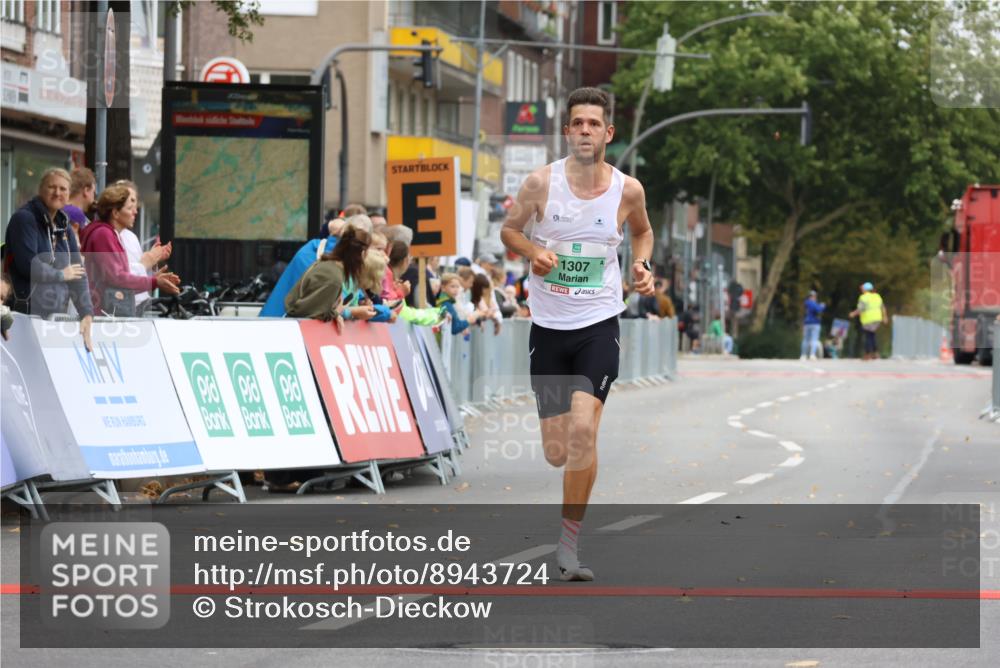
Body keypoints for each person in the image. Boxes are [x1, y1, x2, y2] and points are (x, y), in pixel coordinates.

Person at [500, 86, 654, 581]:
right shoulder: (539, 184)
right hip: (548, 327)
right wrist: (532, 252)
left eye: (594, 123)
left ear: (608, 133)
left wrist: (643, 264)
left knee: (585, 433)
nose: (585, 130)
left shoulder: (627, 190)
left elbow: (642, 232)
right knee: (557, 452)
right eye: (577, 123)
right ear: (566, 130)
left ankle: (568, 546)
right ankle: (569, 504)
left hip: (598, 324)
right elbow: (509, 231)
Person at [4, 167, 94, 350]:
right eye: (52, 187)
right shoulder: (24, 219)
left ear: (69, 194)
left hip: (54, 319)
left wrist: (86, 313)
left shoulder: (65, 226)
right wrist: (61, 275)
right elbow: (27, 265)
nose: (57, 193)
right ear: (41, 190)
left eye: (63, 189)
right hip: (24, 317)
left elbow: (78, 273)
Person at [80, 183, 180, 316]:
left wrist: (153, 280)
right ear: (115, 213)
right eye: (130, 208)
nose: (135, 212)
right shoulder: (104, 234)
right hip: (104, 317)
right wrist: (154, 282)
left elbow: (118, 281)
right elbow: (117, 279)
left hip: (106, 314)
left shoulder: (109, 234)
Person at [259, 219, 340, 317]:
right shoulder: (326, 267)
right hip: (284, 325)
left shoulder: (310, 250)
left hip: (273, 321)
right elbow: (318, 309)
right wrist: (348, 312)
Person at [111, 179, 170, 312]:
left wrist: (154, 259)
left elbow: (139, 271)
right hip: (119, 308)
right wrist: (147, 261)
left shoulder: (132, 237)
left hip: (138, 304)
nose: (134, 210)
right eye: (130, 201)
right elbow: (115, 275)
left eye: (134, 201)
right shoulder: (105, 235)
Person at [849, 281, 888, 361]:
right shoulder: (877, 296)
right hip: (877, 319)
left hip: (868, 319)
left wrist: (853, 314)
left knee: (868, 336)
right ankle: (875, 353)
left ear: (866, 289)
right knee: (872, 335)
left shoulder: (863, 297)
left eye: (863, 288)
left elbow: (860, 309)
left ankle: (868, 353)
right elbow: (883, 307)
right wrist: (885, 317)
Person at [64, 167, 96, 241]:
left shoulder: (61, 209)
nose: (93, 198)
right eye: (93, 192)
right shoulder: (75, 212)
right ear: (86, 190)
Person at [800, 290, 826, 360]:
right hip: (815, 323)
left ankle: (803, 355)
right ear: (813, 296)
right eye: (814, 296)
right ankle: (812, 355)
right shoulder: (813, 303)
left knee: (805, 340)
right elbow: (818, 310)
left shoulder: (806, 303)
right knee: (814, 339)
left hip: (807, 323)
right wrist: (822, 306)